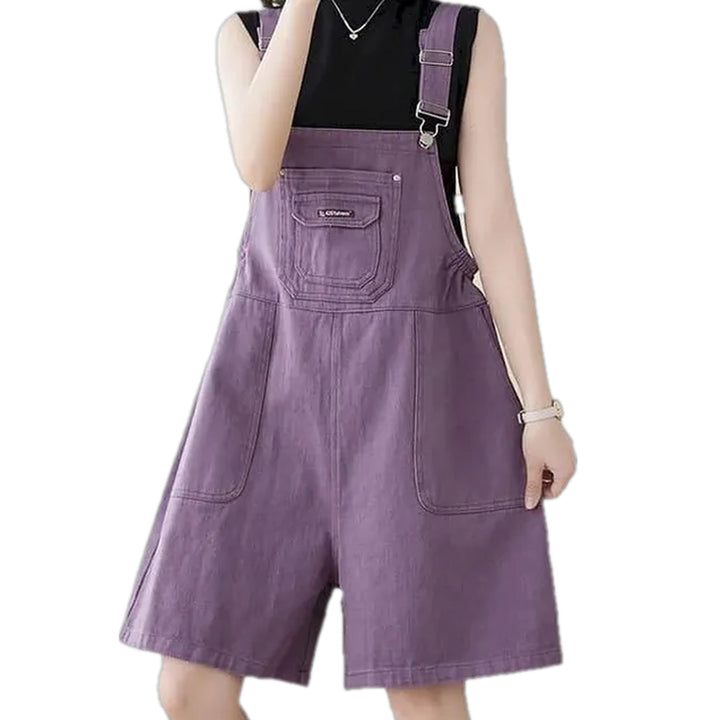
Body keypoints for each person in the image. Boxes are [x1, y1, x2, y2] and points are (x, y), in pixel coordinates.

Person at [118, 0, 578, 717]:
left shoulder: (460, 36)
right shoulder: (246, 37)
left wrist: (540, 410)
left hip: (413, 400)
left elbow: (493, 226)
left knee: (421, 690)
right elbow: (257, 162)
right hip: (267, 401)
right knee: (189, 687)